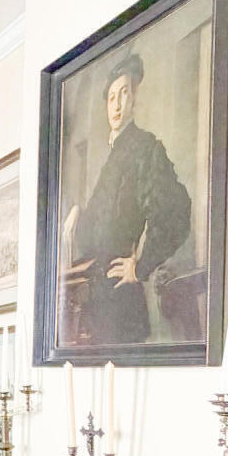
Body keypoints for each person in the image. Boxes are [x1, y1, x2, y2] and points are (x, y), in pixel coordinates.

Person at [61, 52, 191, 346]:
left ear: (135, 99)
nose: (117, 104)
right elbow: (97, 230)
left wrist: (141, 265)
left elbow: (174, 211)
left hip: (120, 307)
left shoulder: (145, 148)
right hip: (93, 306)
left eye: (124, 94)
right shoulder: (113, 157)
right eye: (111, 97)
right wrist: (78, 212)